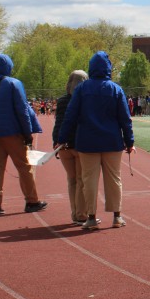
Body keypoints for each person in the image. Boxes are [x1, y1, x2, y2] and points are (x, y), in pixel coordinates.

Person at [57, 51, 134, 230]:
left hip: (87, 141)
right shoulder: (115, 89)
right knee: (114, 179)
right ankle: (117, 216)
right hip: (112, 141)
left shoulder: (82, 89)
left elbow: (70, 116)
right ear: (108, 68)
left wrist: (62, 138)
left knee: (89, 180)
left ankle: (91, 217)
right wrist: (129, 141)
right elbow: (125, 118)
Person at [0, 53, 48, 217]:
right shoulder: (14, 83)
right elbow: (22, 110)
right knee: (24, 166)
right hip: (12, 131)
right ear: (9, 67)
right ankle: (31, 201)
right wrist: (27, 132)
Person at [52, 70, 88, 225]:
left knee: (71, 180)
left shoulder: (61, 101)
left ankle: (74, 213)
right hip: (79, 144)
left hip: (63, 144)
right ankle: (81, 214)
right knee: (81, 180)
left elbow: (58, 122)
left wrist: (56, 141)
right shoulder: (85, 99)